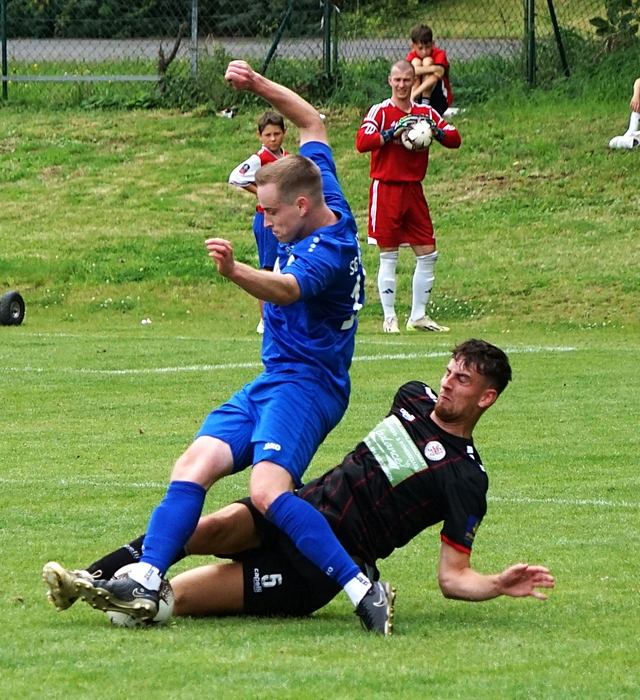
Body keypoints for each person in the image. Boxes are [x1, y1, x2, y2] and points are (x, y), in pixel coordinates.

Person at [67, 59, 388, 633]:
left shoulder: (330, 252)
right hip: (273, 380)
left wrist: (235, 271)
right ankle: (146, 576)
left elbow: (286, 289)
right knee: (196, 462)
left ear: (301, 207)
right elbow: (312, 122)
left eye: (270, 212)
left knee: (266, 492)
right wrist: (257, 84)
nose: (264, 219)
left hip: (310, 386)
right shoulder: (318, 184)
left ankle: (362, 589)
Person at [44, 339, 555, 632]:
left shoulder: (466, 477)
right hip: (293, 509)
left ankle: (121, 596)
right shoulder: (412, 397)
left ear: (486, 398)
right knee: (200, 529)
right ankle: (86, 578)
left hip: (318, 568)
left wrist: (495, 585)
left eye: (462, 380)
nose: (446, 383)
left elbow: (452, 577)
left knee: (176, 599)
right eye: (448, 372)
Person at [356, 60, 461, 335]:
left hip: (414, 190)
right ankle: (389, 318)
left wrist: (436, 131)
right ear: (390, 81)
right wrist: (391, 133)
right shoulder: (380, 111)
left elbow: (455, 138)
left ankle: (418, 316)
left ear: (414, 82)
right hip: (386, 188)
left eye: (407, 80)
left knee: (428, 253)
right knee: (388, 255)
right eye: (397, 80)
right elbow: (362, 142)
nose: (402, 85)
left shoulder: (425, 113)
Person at [228, 111, 291, 334]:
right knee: (267, 268)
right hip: (266, 220)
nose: (273, 139)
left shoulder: (287, 158)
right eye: (268, 135)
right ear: (260, 136)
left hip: (286, 220)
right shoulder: (259, 159)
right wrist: (261, 194)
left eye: (277, 134)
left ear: (284, 133)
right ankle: (265, 320)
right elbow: (236, 177)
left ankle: (281, 317)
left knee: (284, 267)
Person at [406, 24, 453, 117]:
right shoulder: (413, 56)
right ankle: (415, 104)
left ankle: (424, 103)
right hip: (415, 96)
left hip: (438, 99)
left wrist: (414, 94)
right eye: (420, 48)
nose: (424, 51)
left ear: (433, 44)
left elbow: (436, 76)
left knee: (428, 61)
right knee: (415, 62)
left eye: (427, 47)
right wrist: (433, 68)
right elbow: (407, 72)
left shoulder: (439, 54)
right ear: (413, 47)